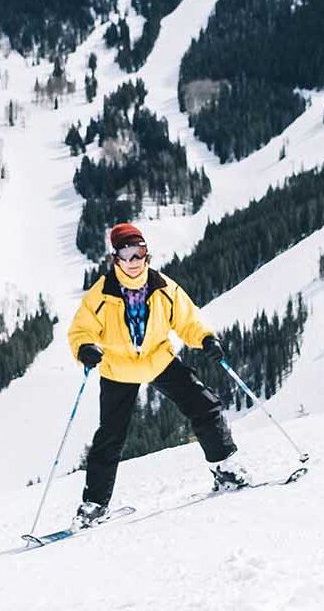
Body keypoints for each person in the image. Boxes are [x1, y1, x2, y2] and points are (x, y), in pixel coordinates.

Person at [67, 222, 249, 528]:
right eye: (127, 253)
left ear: (146, 255)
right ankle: (94, 505)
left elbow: (188, 319)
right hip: (119, 367)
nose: (134, 261)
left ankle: (225, 469)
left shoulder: (163, 287)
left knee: (204, 404)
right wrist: (85, 348)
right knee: (110, 436)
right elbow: (81, 330)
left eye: (139, 253)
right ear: (116, 259)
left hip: (157, 358)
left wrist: (205, 338)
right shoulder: (101, 293)